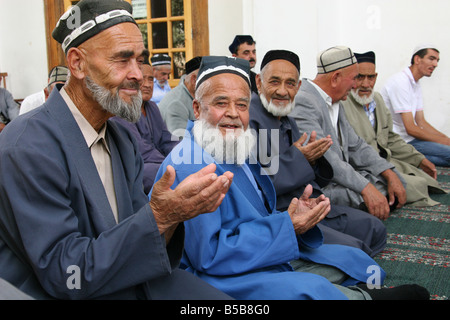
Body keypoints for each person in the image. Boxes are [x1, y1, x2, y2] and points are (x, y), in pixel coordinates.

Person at [0, 0, 233, 300]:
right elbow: (67, 273)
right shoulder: (27, 147)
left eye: (140, 59)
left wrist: (173, 214)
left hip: (128, 277)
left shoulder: (120, 136)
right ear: (77, 63)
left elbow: (138, 234)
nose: (138, 73)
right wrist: (161, 216)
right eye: (122, 60)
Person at [153, 55, 429, 300]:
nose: (234, 114)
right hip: (222, 271)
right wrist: (287, 226)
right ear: (197, 109)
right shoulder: (190, 165)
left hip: (259, 248)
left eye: (241, 104)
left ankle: (354, 290)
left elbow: (259, 210)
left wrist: (295, 216)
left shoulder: (231, 142)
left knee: (355, 259)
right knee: (309, 290)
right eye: (221, 103)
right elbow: (209, 255)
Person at [250, 49, 386, 257]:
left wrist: (312, 161)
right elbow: (262, 184)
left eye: (290, 83)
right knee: (355, 251)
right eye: (274, 82)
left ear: (299, 86)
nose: (282, 91)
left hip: (309, 201)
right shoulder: (251, 118)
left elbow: (311, 171)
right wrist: (301, 159)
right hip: (281, 214)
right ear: (259, 82)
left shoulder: (286, 117)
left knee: (374, 229)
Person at [291, 46, 407, 221]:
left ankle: (371, 199)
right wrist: (366, 188)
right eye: (354, 78)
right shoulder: (304, 101)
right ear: (336, 77)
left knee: (396, 180)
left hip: (342, 180)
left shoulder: (337, 100)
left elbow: (356, 145)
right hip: (321, 186)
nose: (355, 85)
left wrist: (388, 172)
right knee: (370, 191)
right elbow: (328, 159)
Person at [343, 51, 447, 207]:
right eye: (359, 77)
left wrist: (419, 159)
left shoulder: (376, 99)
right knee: (414, 185)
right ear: (351, 78)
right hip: (365, 167)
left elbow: (390, 138)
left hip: (387, 159)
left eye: (370, 77)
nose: (365, 84)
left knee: (425, 179)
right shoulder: (344, 104)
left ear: (376, 77)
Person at [110, 53, 179, 195]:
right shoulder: (122, 108)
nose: (147, 84)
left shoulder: (152, 107)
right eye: (143, 79)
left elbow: (166, 139)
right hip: (135, 168)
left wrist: (183, 152)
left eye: (151, 79)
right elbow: (143, 151)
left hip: (158, 162)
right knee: (158, 173)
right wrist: (170, 163)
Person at [381, 44, 450, 167]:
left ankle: (410, 159)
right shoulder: (400, 82)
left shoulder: (415, 83)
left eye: (437, 60)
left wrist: (445, 139)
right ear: (417, 59)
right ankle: (406, 157)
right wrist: (445, 141)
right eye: (431, 59)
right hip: (400, 141)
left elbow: (421, 122)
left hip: (411, 140)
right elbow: (411, 128)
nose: (435, 64)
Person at [158, 56, 202, 138]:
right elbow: (180, 143)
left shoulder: (195, 95)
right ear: (194, 80)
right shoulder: (177, 104)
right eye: (208, 80)